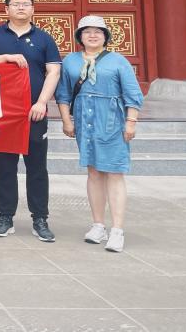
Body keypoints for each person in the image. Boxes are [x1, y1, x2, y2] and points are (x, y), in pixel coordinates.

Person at [0, 0, 62, 242]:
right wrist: (6, 57)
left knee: (37, 168)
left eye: (25, 4)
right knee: (5, 167)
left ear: (33, 9)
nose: (21, 8)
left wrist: (42, 103)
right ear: (6, 9)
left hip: (34, 113)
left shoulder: (44, 39)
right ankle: (5, 217)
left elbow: (53, 72)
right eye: (15, 4)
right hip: (4, 114)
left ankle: (40, 219)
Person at [56, 16, 143, 253]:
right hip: (85, 121)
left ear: (105, 36)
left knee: (114, 172)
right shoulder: (71, 61)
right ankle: (98, 225)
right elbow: (63, 93)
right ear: (80, 36)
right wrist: (67, 120)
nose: (92, 35)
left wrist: (131, 122)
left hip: (111, 120)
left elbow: (132, 93)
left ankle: (117, 230)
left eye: (98, 31)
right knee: (93, 172)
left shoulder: (118, 60)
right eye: (87, 31)